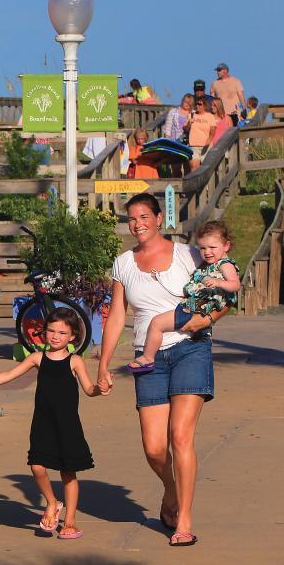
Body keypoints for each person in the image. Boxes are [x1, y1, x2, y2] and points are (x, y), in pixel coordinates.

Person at [98, 193, 228, 547]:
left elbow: (221, 296)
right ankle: (171, 490)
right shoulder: (123, 263)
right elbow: (117, 316)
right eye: (131, 218)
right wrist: (104, 365)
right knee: (154, 449)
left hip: (190, 350)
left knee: (180, 437)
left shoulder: (188, 253)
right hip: (148, 357)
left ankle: (184, 519)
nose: (137, 223)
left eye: (144, 216)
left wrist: (201, 322)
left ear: (159, 218)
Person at [0, 308, 103, 540]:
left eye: (62, 332)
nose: (55, 336)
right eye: (51, 330)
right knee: (37, 466)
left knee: (68, 472)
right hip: (42, 423)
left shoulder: (75, 361)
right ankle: (52, 503)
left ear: (72, 336)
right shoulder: (37, 358)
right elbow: (10, 374)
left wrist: (100, 389)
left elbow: (89, 389)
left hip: (68, 425)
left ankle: (70, 521)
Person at [128, 221, 240, 374]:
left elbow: (235, 285)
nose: (207, 252)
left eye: (212, 247)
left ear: (226, 246)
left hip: (193, 310)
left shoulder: (224, 264)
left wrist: (219, 282)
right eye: (202, 248)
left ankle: (148, 357)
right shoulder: (209, 264)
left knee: (156, 323)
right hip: (195, 308)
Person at [185, 97, 216, 172]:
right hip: (193, 146)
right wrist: (189, 124)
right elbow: (186, 129)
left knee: (206, 169)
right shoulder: (191, 115)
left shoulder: (210, 116)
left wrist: (209, 141)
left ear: (205, 105)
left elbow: (213, 131)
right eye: (196, 104)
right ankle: (195, 184)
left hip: (206, 147)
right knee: (194, 167)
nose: (197, 106)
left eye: (200, 104)